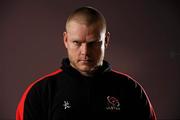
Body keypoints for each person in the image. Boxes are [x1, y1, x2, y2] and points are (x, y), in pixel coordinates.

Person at [16, 6, 157, 120]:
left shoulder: (131, 90)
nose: (85, 52)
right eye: (77, 42)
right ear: (66, 39)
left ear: (106, 41)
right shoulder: (39, 93)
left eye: (93, 43)